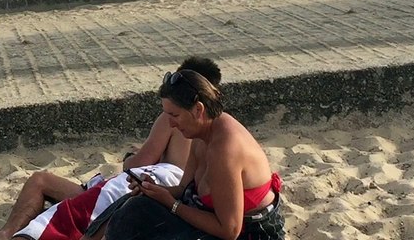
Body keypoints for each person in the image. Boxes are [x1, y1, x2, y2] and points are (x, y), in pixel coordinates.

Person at [0, 58, 222, 240]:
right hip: (164, 192)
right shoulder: (212, 128)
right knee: (42, 182)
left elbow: (140, 164)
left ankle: (8, 233)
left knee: (51, 192)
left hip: (146, 186)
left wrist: (130, 156)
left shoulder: (172, 117)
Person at [103, 65, 284, 240]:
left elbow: (230, 230)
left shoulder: (224, 150)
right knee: (134, 208)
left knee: (137, 220)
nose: (171, 124)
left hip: (249, 233)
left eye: (174, 116)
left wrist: (171, 204)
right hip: (209, 219)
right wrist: (154, 190)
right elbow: (183, 189)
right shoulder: (202, 133)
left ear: (198, 109)